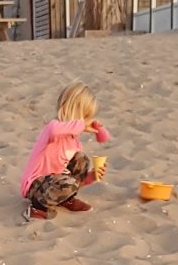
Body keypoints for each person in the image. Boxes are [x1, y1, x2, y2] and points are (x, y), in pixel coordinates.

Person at [20, 81, 111, 220]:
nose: (87, 122)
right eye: (86, 116)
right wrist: (82, 124)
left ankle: (66, 199)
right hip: (35, 186)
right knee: (66, 182)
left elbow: (73, 180)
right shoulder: (53, 128)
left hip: (53, 183)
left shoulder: (74, 143)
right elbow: (55, 130)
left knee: (82, 160)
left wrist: (90, 177)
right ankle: (38, 208)